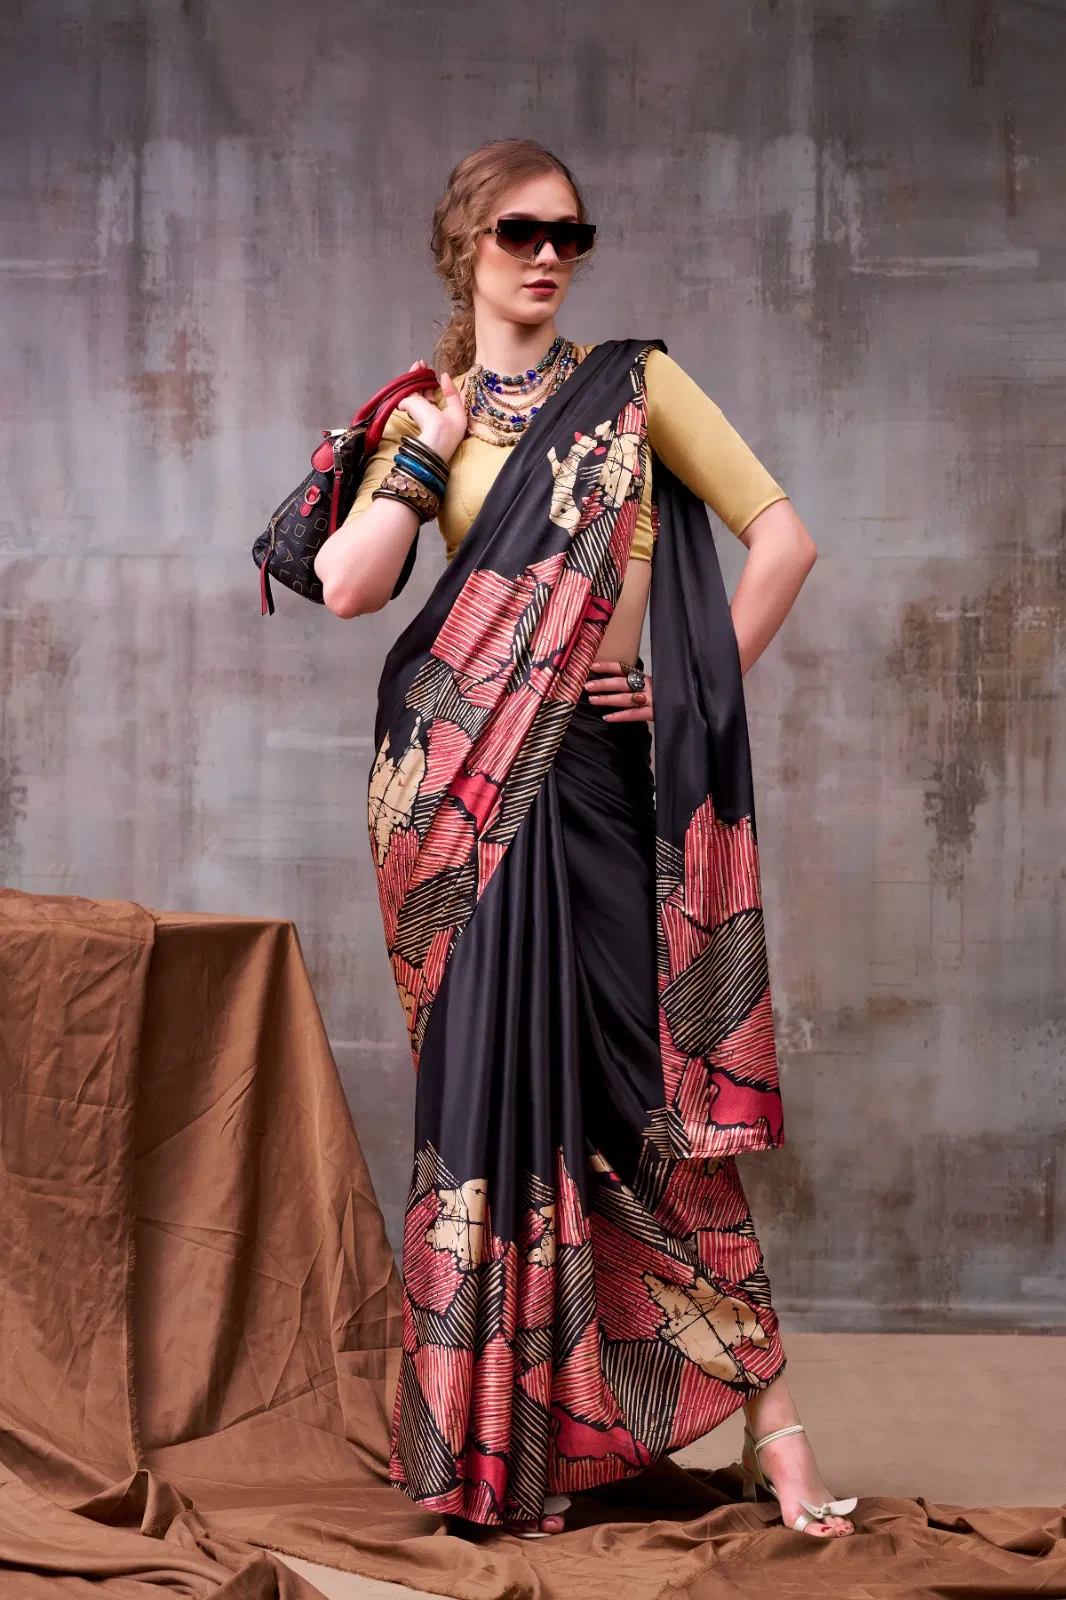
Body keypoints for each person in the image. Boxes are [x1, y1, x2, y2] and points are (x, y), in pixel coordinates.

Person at [315, 138, 857, 1542]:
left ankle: (778, 1434)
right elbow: (347, 588)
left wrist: (686, 686)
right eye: (520, 232)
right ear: (466, 246)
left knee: (645, 1106)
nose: (549, 254)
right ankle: (504, 1455)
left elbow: (783, 539)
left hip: (600, 792)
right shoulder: (423, 414)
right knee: (488, 1111)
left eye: (570, 233)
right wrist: (421, 449)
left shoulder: (635, 389)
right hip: (455, 809)